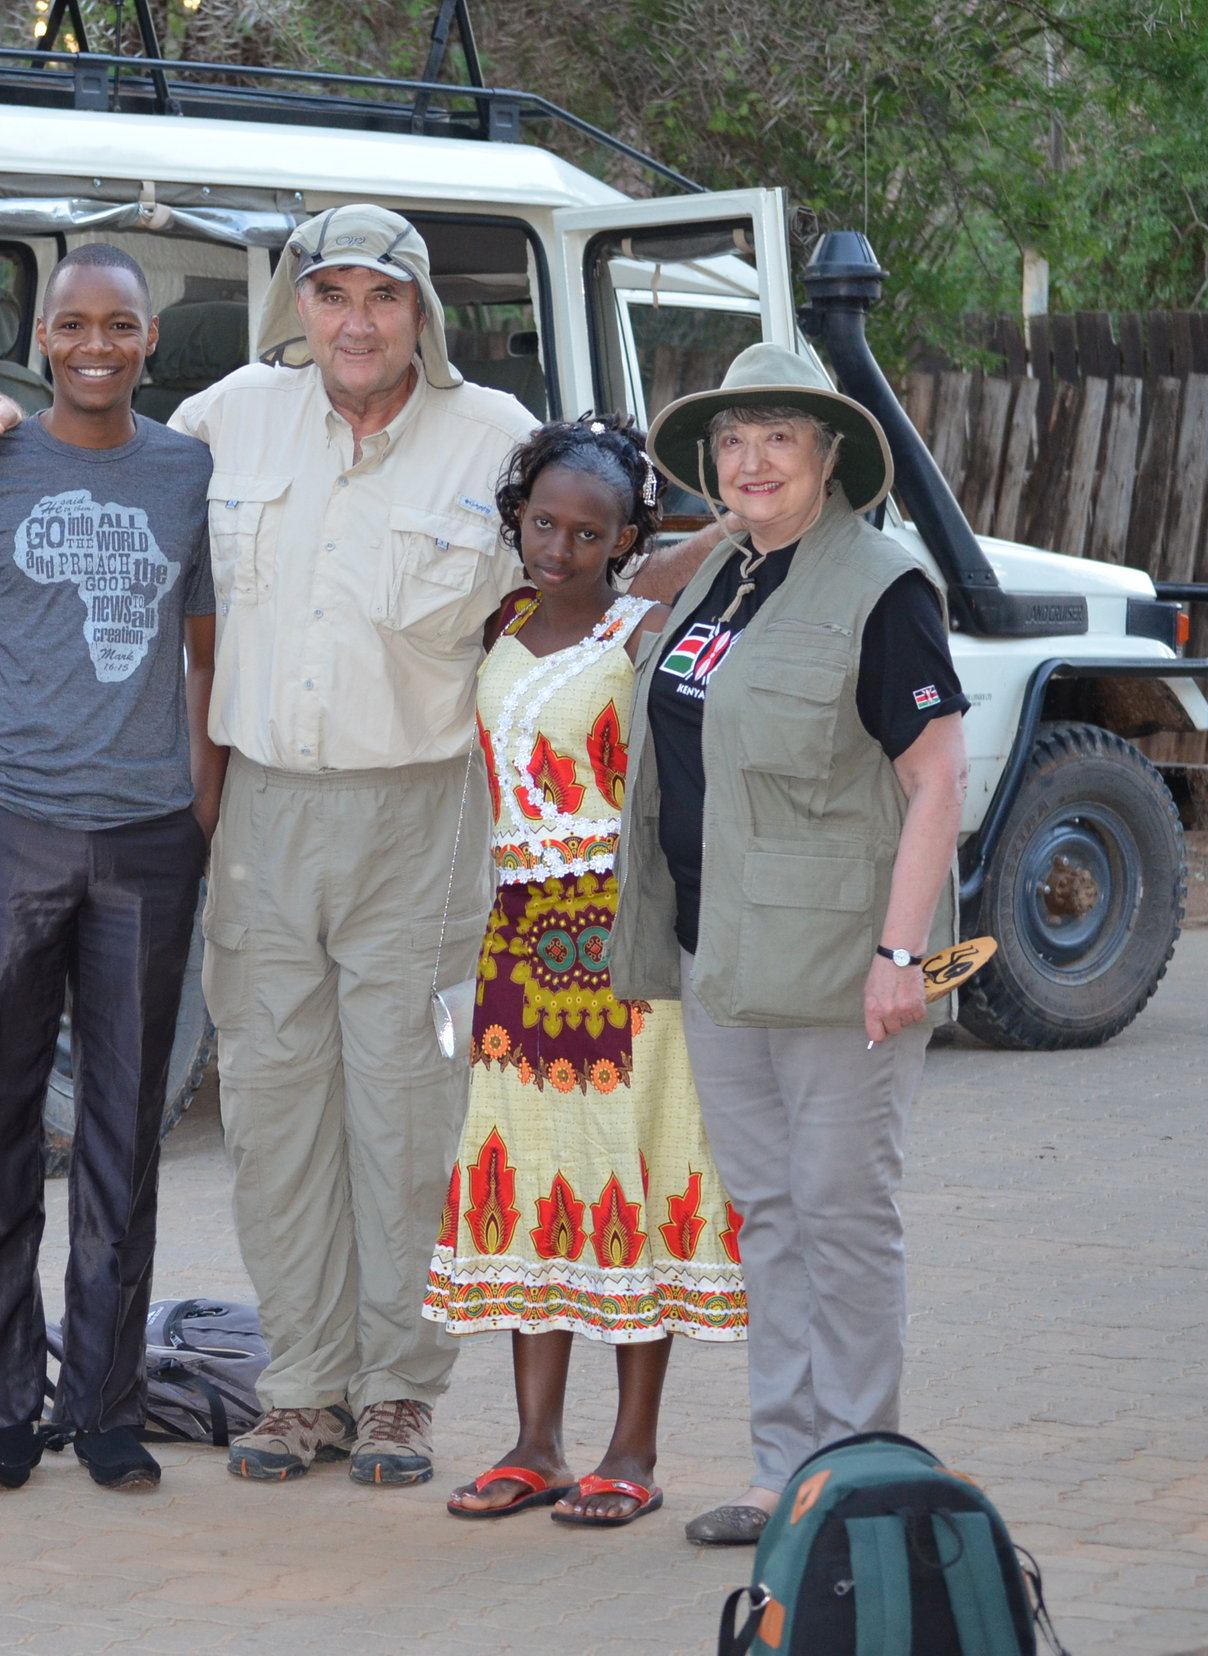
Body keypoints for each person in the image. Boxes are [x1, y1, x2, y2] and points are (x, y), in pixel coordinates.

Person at [0, 206, 719, 1488]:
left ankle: (402, 1390)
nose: (356, 323)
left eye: (384, 298)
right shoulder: (223, 420)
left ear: (422, 312)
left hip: (418, 817)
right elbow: (96, 441)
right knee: (273, 1105)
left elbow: (606, 564)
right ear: (296, 307)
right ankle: (301, 1386)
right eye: (332, 296)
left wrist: (744, 533)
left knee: (407, 1113)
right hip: (256, 815)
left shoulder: (495, 444)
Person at [610, 342, 970, 1546]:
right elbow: (632, 613)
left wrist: (901, 955)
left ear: (830, 458)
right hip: (721, 952)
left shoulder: (881, 584)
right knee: (767, 1212)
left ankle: (856, 1474)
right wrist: (712, 535)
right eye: (731, 440)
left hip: (838, 962)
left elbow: (936, 780)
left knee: (841, 1214)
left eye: (779, 437)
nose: (752, 460)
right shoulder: (724, 575)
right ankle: (782, 1474)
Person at [0, 244, 220, 1494]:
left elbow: (207, 659)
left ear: (150, 341)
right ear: (40, 337)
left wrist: (198, 809)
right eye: (74, 323)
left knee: (122, 1126)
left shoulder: (190, 472)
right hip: (12, 830)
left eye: (122, 325)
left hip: (148, 837)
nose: (97, 343)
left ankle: (103, 1405)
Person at [427, 416, 747, 1531]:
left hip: (618, 944)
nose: (558, 546)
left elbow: (736, 528)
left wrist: (669, 538)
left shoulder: (641, 623)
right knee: (528, 1181)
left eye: (588, 529)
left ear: (624, 538)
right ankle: (532, 1446)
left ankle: (632, 1450)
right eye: (542, 522)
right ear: (515, 516)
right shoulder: (505, 614)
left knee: (629, 1182)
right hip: (515, 942)